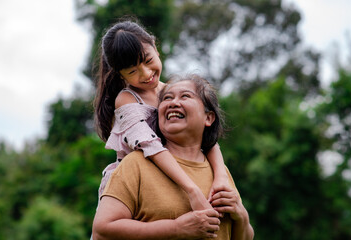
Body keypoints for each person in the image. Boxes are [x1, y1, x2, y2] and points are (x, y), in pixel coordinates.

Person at [92, 74, 254, 240]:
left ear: (208, 117)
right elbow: (102, 231)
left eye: (185, 96)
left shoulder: (220, 173)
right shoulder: (135, 164)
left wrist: (241, 215)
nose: (173, 103)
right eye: (167, 98)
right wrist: (176, 228)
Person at [94, 19, 230, 211]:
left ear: (155, 47)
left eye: (148, 60)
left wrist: (221, 177)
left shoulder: (171, 93)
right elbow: (151, 146)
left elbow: (206, 138)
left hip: (173, 177)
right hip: (132, 188)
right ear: (120, 75)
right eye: (133, 71)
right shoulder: (127, 99)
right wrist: (192, 189)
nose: (146, 74)